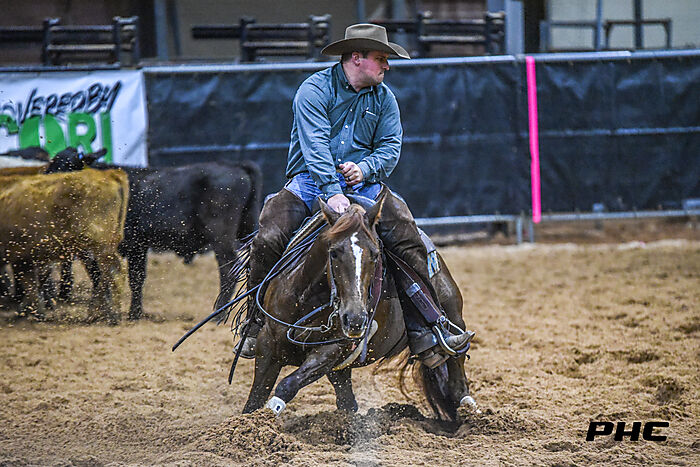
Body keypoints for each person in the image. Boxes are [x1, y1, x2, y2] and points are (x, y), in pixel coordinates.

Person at [239, 23, 473, 368]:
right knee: (268, 238)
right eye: (381, 58)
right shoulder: (314, 90)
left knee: (408, 240)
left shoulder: (385, 99)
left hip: (364, 186)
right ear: (357, 57)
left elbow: (390, 147)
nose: (387, 66)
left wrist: (364, 168)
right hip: (310, 182)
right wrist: (332, 191)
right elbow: (315, 146)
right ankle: (255, 322)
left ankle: (424, 328)